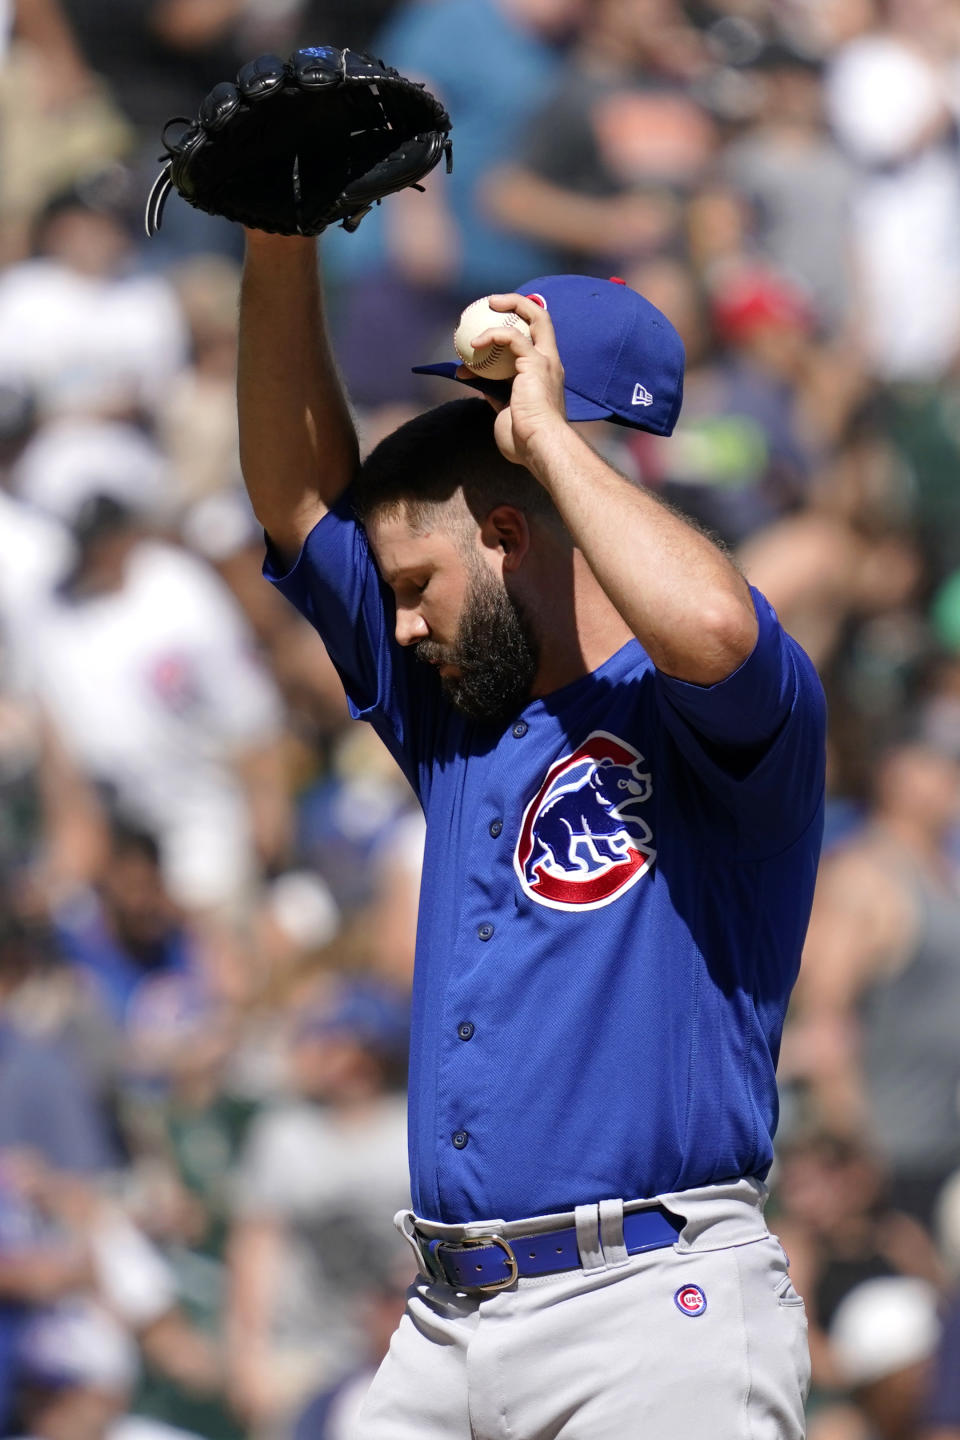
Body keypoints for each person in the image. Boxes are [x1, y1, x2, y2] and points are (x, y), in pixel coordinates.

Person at [236, 234, 826, 1437]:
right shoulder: (462, 704)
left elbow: (715, 624)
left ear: (508, 535)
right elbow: (300, 502)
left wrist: (549, 439)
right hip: (446, 1322)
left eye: (416, 588)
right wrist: (277, 237)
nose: (395, 628)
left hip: (653, 1307)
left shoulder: (708, 718)